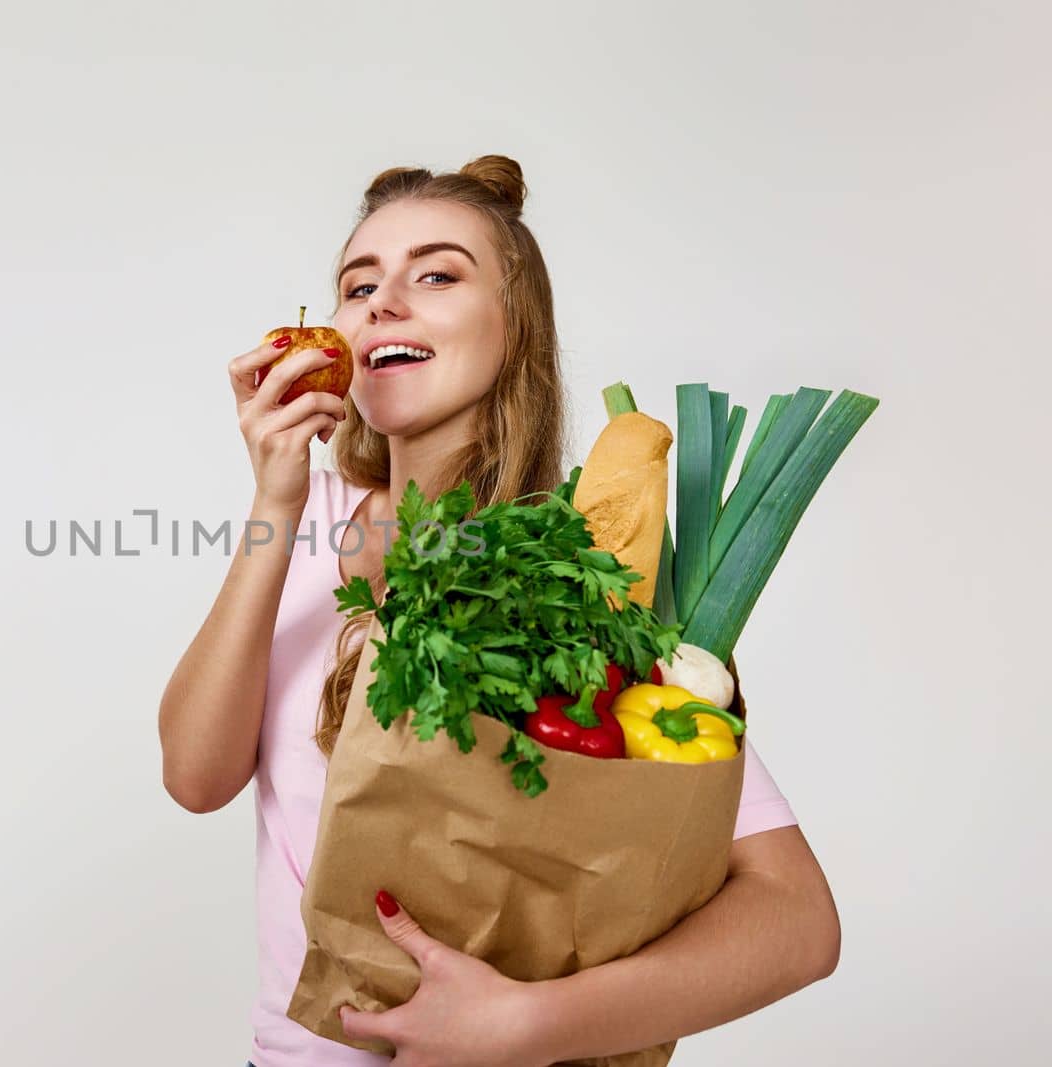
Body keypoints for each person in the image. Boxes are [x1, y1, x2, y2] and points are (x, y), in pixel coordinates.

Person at [158, 155, 840, 1067]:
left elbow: (797, 920)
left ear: (514, 326)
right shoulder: (304, 523)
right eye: (359, 285)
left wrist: (527, 1025)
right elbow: (195, 775)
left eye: (435, 274)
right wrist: (275, 505)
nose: (382, 302)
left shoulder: (582, 567)